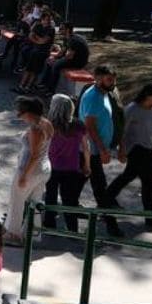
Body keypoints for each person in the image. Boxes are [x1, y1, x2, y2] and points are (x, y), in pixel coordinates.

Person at [107, 83, 152, 235]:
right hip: (136, 151)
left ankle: (106, 201)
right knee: (148, 186)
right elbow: (122, 131)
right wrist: (121, 150)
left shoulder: (150, 111)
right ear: (146, 94)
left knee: (127, 177)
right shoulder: (132, 110)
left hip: (148, 150)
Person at [79, 65, 124, 236]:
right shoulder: (94, 97)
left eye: (113, 79)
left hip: (95, 149)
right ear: (97, 78)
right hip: (91, 150)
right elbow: (90, 126)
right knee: (100, 188)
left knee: (78, 181)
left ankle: (64, 205)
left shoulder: (105, 94)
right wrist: (103, 149)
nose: (112, 83)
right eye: (108, 79)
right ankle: (112, 225)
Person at [4, 96, 54, 244]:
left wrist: (24, 175)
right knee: (35, 202)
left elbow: (34, 154)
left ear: (30, 113)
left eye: (22, 112)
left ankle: (13, 233)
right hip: (44, 168)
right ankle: (32, 233)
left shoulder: (35, 129)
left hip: (31, 169)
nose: (20, 115)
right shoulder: (47, 124)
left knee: (16, 199)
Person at [43, 94, 89, 233]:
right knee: (69, 198)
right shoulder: (78, 125)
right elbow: (86, 148)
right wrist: (87, 165)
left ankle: (49, 224)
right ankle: (72, 228)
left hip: (51, 166)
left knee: (50, 196)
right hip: (71, 167)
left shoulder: (48, 125)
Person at [13, 11, 56, 93]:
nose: (48, 21)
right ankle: (21, 86)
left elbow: (43, 41)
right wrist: (37, 40)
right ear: (42, 19)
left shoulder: (51, 29)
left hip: (43, 52)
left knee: (34, 70)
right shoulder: (38, 26)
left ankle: (28, 87)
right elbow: (31, 36)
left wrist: (36, 38)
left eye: (49, 19)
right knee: (28, 69)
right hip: (34, 50)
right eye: (46, 19)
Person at [41, 21, 89, 94]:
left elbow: (69, 56)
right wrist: (53, 57)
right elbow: (62, 52)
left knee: (55, 66)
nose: (59, 30)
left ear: (67, 30)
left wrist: (57, 60)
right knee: (49, 61)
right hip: (72, 58)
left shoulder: (73, 40)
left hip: (79, 62)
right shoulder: (67, 38)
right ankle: (44, 84)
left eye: (61, 29)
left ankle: (51, 90)